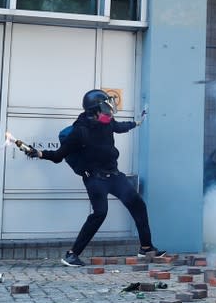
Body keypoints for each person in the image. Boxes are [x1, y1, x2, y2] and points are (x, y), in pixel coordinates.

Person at [25, 89, 165, 267]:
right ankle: (71, 254)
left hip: (113, 175)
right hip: (95, 179)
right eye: (105, 106)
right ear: (94, 110)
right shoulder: (79, 131)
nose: (109, 110)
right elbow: (59, 156)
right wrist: (39, 153)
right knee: (100, 213)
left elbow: (119, 127)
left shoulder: (106, 122)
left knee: (137, 204)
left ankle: (146, 247)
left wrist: (136, 123)